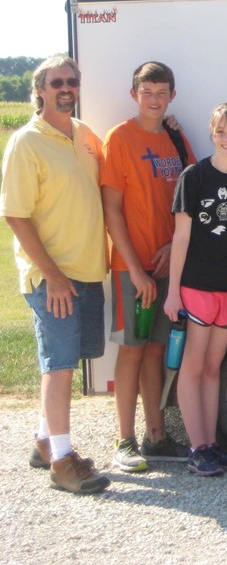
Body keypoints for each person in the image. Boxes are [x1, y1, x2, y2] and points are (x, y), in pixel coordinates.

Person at [0, 56, 110, 493]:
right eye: (57, 82)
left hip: (86, 271)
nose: (66, 88)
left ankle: (46, 442)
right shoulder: (26, 142)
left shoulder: (84, 136)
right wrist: (53, 276)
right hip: (53, 278)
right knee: (59, 366)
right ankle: (63, 464)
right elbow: (16, 216)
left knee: (70, 360)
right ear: (40, 89)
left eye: (72, 81)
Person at [101, 61, 194, 472]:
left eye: (161, 92)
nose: (154, 100)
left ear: (172, 96)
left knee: (157, 351)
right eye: (147, 92)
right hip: (132, 269)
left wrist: (174, 244)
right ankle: (125, 440)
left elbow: (191, 198)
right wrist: (135, 271)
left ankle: (156, 436)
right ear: (134, 94)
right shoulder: (120, 138)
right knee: (133, 350)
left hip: (168, 265)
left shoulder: (176, 136)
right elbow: (112, 210)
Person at [164, 103, 227, 476]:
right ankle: (197, 446)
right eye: (220, 131)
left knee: (214, 367)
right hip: (196, 286)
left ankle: (212, 445)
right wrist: (173, 292)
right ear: (211, 132)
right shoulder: (195, 176)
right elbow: (181, 238)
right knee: (194, 365)